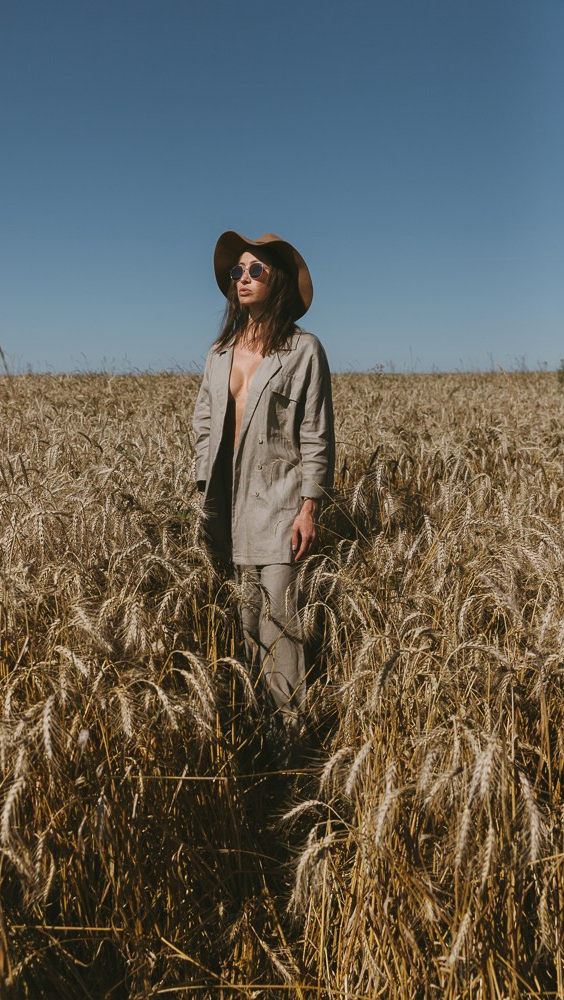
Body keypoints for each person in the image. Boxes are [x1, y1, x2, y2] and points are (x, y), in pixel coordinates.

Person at [192, 231, 335, 731]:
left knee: (281, 627)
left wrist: (309, 507)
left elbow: (317, 433)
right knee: (245, 621)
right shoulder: (219, 352)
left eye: (255, 271)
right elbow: (204, 423)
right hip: (224, 506)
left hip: (278, 504)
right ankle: (258, 730)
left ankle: (291, 740)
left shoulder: (303, 350)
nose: (244, 279)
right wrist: (198, 489)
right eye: (237, 272)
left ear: (276, 282)